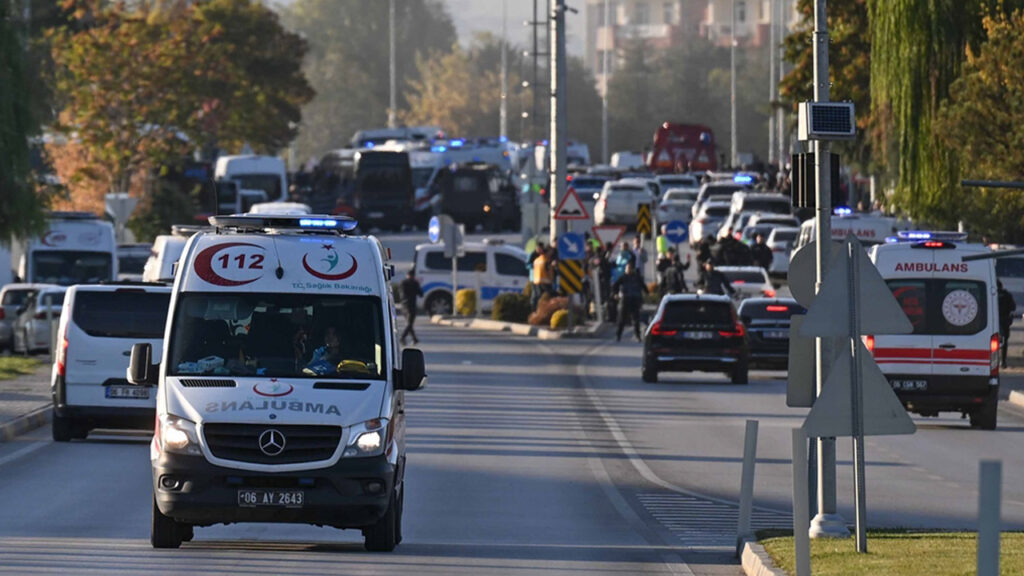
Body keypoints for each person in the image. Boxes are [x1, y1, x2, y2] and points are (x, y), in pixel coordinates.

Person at [611, 262, 648, 342]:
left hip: (635, 299)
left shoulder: (636, 277)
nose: (628, 270)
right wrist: (615, 294)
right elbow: (615, 286)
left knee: (636, 319)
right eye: (627, 268)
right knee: (622, 319)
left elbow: (643, 286)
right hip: (625, 299)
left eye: (630, 268)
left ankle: (638, 336)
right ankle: (618, 335)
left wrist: (646, 294)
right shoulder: (623, 277)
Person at [400, 269, 423, 345]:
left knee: (409, 324)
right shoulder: (415, 283)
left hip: (404, 306)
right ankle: (403, 338)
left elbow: (401, 295)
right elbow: (421, 294)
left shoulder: (403, 283)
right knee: (409, 324)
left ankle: (414, 339)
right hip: (411, 306)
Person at [998, 281, 1016, 368]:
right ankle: (1003, 362)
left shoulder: (991, 293)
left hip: (993, 321)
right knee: (1004, 342)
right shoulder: (1007, 295)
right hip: (1005, 321)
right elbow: (1013, 307)